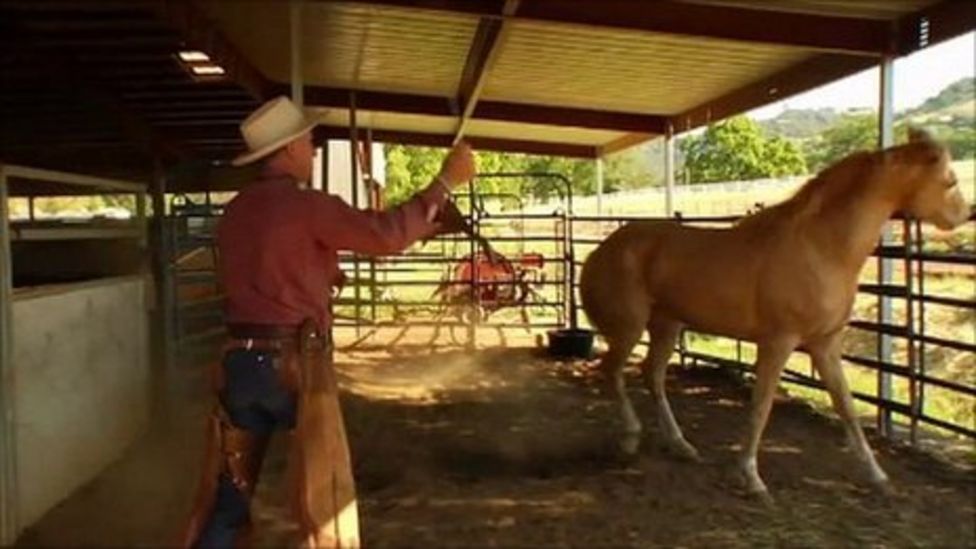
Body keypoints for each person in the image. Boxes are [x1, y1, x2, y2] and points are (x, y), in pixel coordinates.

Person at [182, 96, 476, 548]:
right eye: (309, 140)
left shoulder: (237, 212)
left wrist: (322, 273)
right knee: (324, 495)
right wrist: (443, 183)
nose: (314, 149)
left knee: (230, 494)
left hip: (238, 366)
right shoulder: (308, 206)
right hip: (296, 365)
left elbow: (268, 270)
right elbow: (386, 234)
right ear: (288, 150)